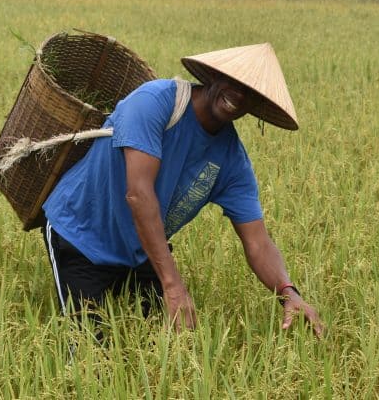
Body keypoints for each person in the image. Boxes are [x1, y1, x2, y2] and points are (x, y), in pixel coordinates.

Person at [41, 42, 323, 336]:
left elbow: (258, 242)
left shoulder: (232, 162)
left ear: (256, 106)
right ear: (214, 75)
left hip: (139, 251)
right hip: (80, 234)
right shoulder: (155, 102)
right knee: (89, 351)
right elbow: (138, 194)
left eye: (250, 93)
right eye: (234, 81)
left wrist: (289, 292)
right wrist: (172, 283)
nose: (239, 95)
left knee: (166, 344)